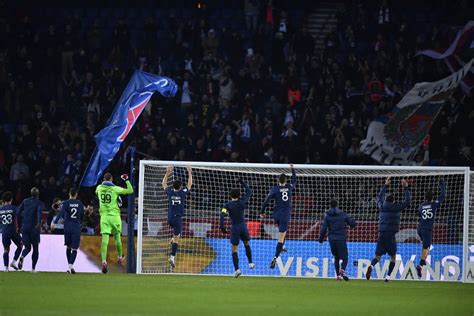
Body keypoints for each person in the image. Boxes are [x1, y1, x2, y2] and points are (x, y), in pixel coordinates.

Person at [366, 177, 411, 282]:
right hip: (391, 235)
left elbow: (379, 197)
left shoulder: (382, 206)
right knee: (393, 257)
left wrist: (386, 185)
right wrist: (406, 188)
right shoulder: (396, 207)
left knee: (377, 257)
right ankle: (388, 277)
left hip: (381, 234)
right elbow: (407, 202)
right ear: (394, 201)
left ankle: (371, 266)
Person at [95, 172, 133, 273]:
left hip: (104, 217)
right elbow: (130, 190)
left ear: (104, 179)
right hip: (115, 217)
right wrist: (126, 180)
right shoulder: (115, 188)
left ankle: (103, 261)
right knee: (117, 238)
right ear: (111, 179)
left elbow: (96, 192)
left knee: (104, 241)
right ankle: (120, 257)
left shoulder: (99, 188)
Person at [260, 164, 296, 269]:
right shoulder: (289, 187)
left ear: (278, 180)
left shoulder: (275, 189)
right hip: (285, 215)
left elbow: (266, 201)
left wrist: (262, 212)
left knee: (282, 231)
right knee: (281, 237)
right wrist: (293, 169)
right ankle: (275, 257)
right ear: (286, 180)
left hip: (276, 215)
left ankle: (283, 246)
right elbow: (295, 180)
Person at [220, 178, 255, 278]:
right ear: (239, 195)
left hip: (235, 228)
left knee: (234, 249)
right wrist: (242, 182)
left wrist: (222, 226)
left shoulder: (227, 205)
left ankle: (237, 270)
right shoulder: (242, 201)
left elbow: (222, 215)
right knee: (246, 243)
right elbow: (249, 191)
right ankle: (251, 263)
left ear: (230, 196)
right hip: (243, 226)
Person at [162, 165, 192, 268]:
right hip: (177, 218)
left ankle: (172, 239)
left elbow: (164, 184)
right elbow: (189, 185)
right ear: (180, 187)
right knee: (177, 238)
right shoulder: (182, 193)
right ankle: (172, 256)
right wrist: (189, 172)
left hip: (169, 218)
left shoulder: (170, 192)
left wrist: (167, 173)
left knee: (177, 234)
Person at [318, 199, 357, 281]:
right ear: (337, 205)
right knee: (345, 257)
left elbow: (324, 229)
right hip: (341, 238)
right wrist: (353, 221)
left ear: (330, 205)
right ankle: (342, 271)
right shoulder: (342, 214)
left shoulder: (327, 216)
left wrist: (321, 239)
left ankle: (338, 276)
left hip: (332, 239)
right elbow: (352, 224)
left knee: (336, 257)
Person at [416, 179, 446, 278]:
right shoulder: (433, 205)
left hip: (419, 228)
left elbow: (419, 214)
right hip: (427, 229)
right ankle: (420, 264)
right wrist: (442, 185)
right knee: (426, 247)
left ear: (425, 197)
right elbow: (442, 196)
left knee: (426, 246)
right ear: (432, 197)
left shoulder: (421, 206)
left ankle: (422, 261)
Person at [51, 188, 84, 274]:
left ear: (69, 193)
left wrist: (54, 222)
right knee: (75, 248)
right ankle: (70, 266)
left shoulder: (65, 203)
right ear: (76, 194)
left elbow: (60, 213)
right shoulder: (79, 203)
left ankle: (69, 266)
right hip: (76, 227)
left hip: (67, 227)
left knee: (68, 247)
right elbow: (82, 216)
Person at [18, 187, 45, 272]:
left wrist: (24, 217)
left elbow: (18, 212)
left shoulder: (25, 201)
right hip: (34, 228)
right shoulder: (39, 203)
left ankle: (22, 256)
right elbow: (39, 213)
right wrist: (38, 223)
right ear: (38, 194)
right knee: (35, 248)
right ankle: (33, 268)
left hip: (24, 227)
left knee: (27, 247)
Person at [0, 191, 23, 271]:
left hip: (4, 232)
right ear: (11, 199)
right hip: (13, 231)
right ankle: (13, 262)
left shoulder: (1, 209)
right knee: (20, 245)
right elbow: (18, 218)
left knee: (6, 249)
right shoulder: (14, 208)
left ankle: (6, 268)